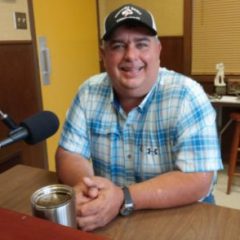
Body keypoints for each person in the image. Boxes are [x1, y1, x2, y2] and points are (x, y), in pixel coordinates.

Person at [55, 4, 223, 231]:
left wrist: (122, 197)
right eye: (118, 46)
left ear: (158, 50)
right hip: (109, 215)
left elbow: (199, 178)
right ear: (103, 54)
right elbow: (69, 153)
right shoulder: (88, 92)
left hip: (181, 216)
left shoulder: (187, 95)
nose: (131, 56)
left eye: (142, 44)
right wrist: (89, 188)